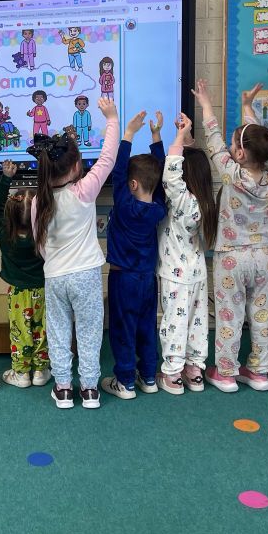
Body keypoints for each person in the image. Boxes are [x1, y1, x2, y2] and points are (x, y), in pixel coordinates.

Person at [31, 98, 119, 409]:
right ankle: (90, 390)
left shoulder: (38, 200)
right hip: (86, 275)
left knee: (58, 332)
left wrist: (56, 261)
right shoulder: (84, 190)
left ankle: (64, 389)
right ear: (77, 166)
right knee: (89, 331)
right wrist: (111, 119)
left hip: (55, 275)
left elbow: (40, 245)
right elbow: (107, 158)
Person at [193, 79, 268, 393]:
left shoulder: (233, 174)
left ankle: (227, 372)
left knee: (230, 314)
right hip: (261, 258)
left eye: (234, 147)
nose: (229, 149)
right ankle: (259, 371)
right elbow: (260, 143)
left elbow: (214, 140)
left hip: (231, 257)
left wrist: (206, 104)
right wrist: (247, 107)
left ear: (240, 154)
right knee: (260, 315)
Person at [101, 111, 166, 401]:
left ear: (132, 185)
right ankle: (149, 376)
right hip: (147, 281)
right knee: (146, 326)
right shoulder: (158, 208)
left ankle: (125, 381)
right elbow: (162, 180)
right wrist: (156, 138)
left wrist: (128, 134)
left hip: (123, 279)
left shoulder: (126, 205)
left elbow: (117, 172)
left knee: (123, 328)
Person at [156, 114, 218, 394]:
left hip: (175, 274)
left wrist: (180, 138)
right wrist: (185, 136)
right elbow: (189, 163)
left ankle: (172, 375)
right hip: (197, 273)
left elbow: (171, 171)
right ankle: (194, 370)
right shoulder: (203, 201)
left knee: (175, 322)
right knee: (197, 322)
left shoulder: (182, 200)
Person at [0, 160, 50, 388]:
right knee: (42, 330)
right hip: (43, 291)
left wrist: (6, 178)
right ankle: (40, 371)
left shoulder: (6, 232)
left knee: (20, 331)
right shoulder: (43, 233)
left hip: (18, 293)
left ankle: (21, 373)